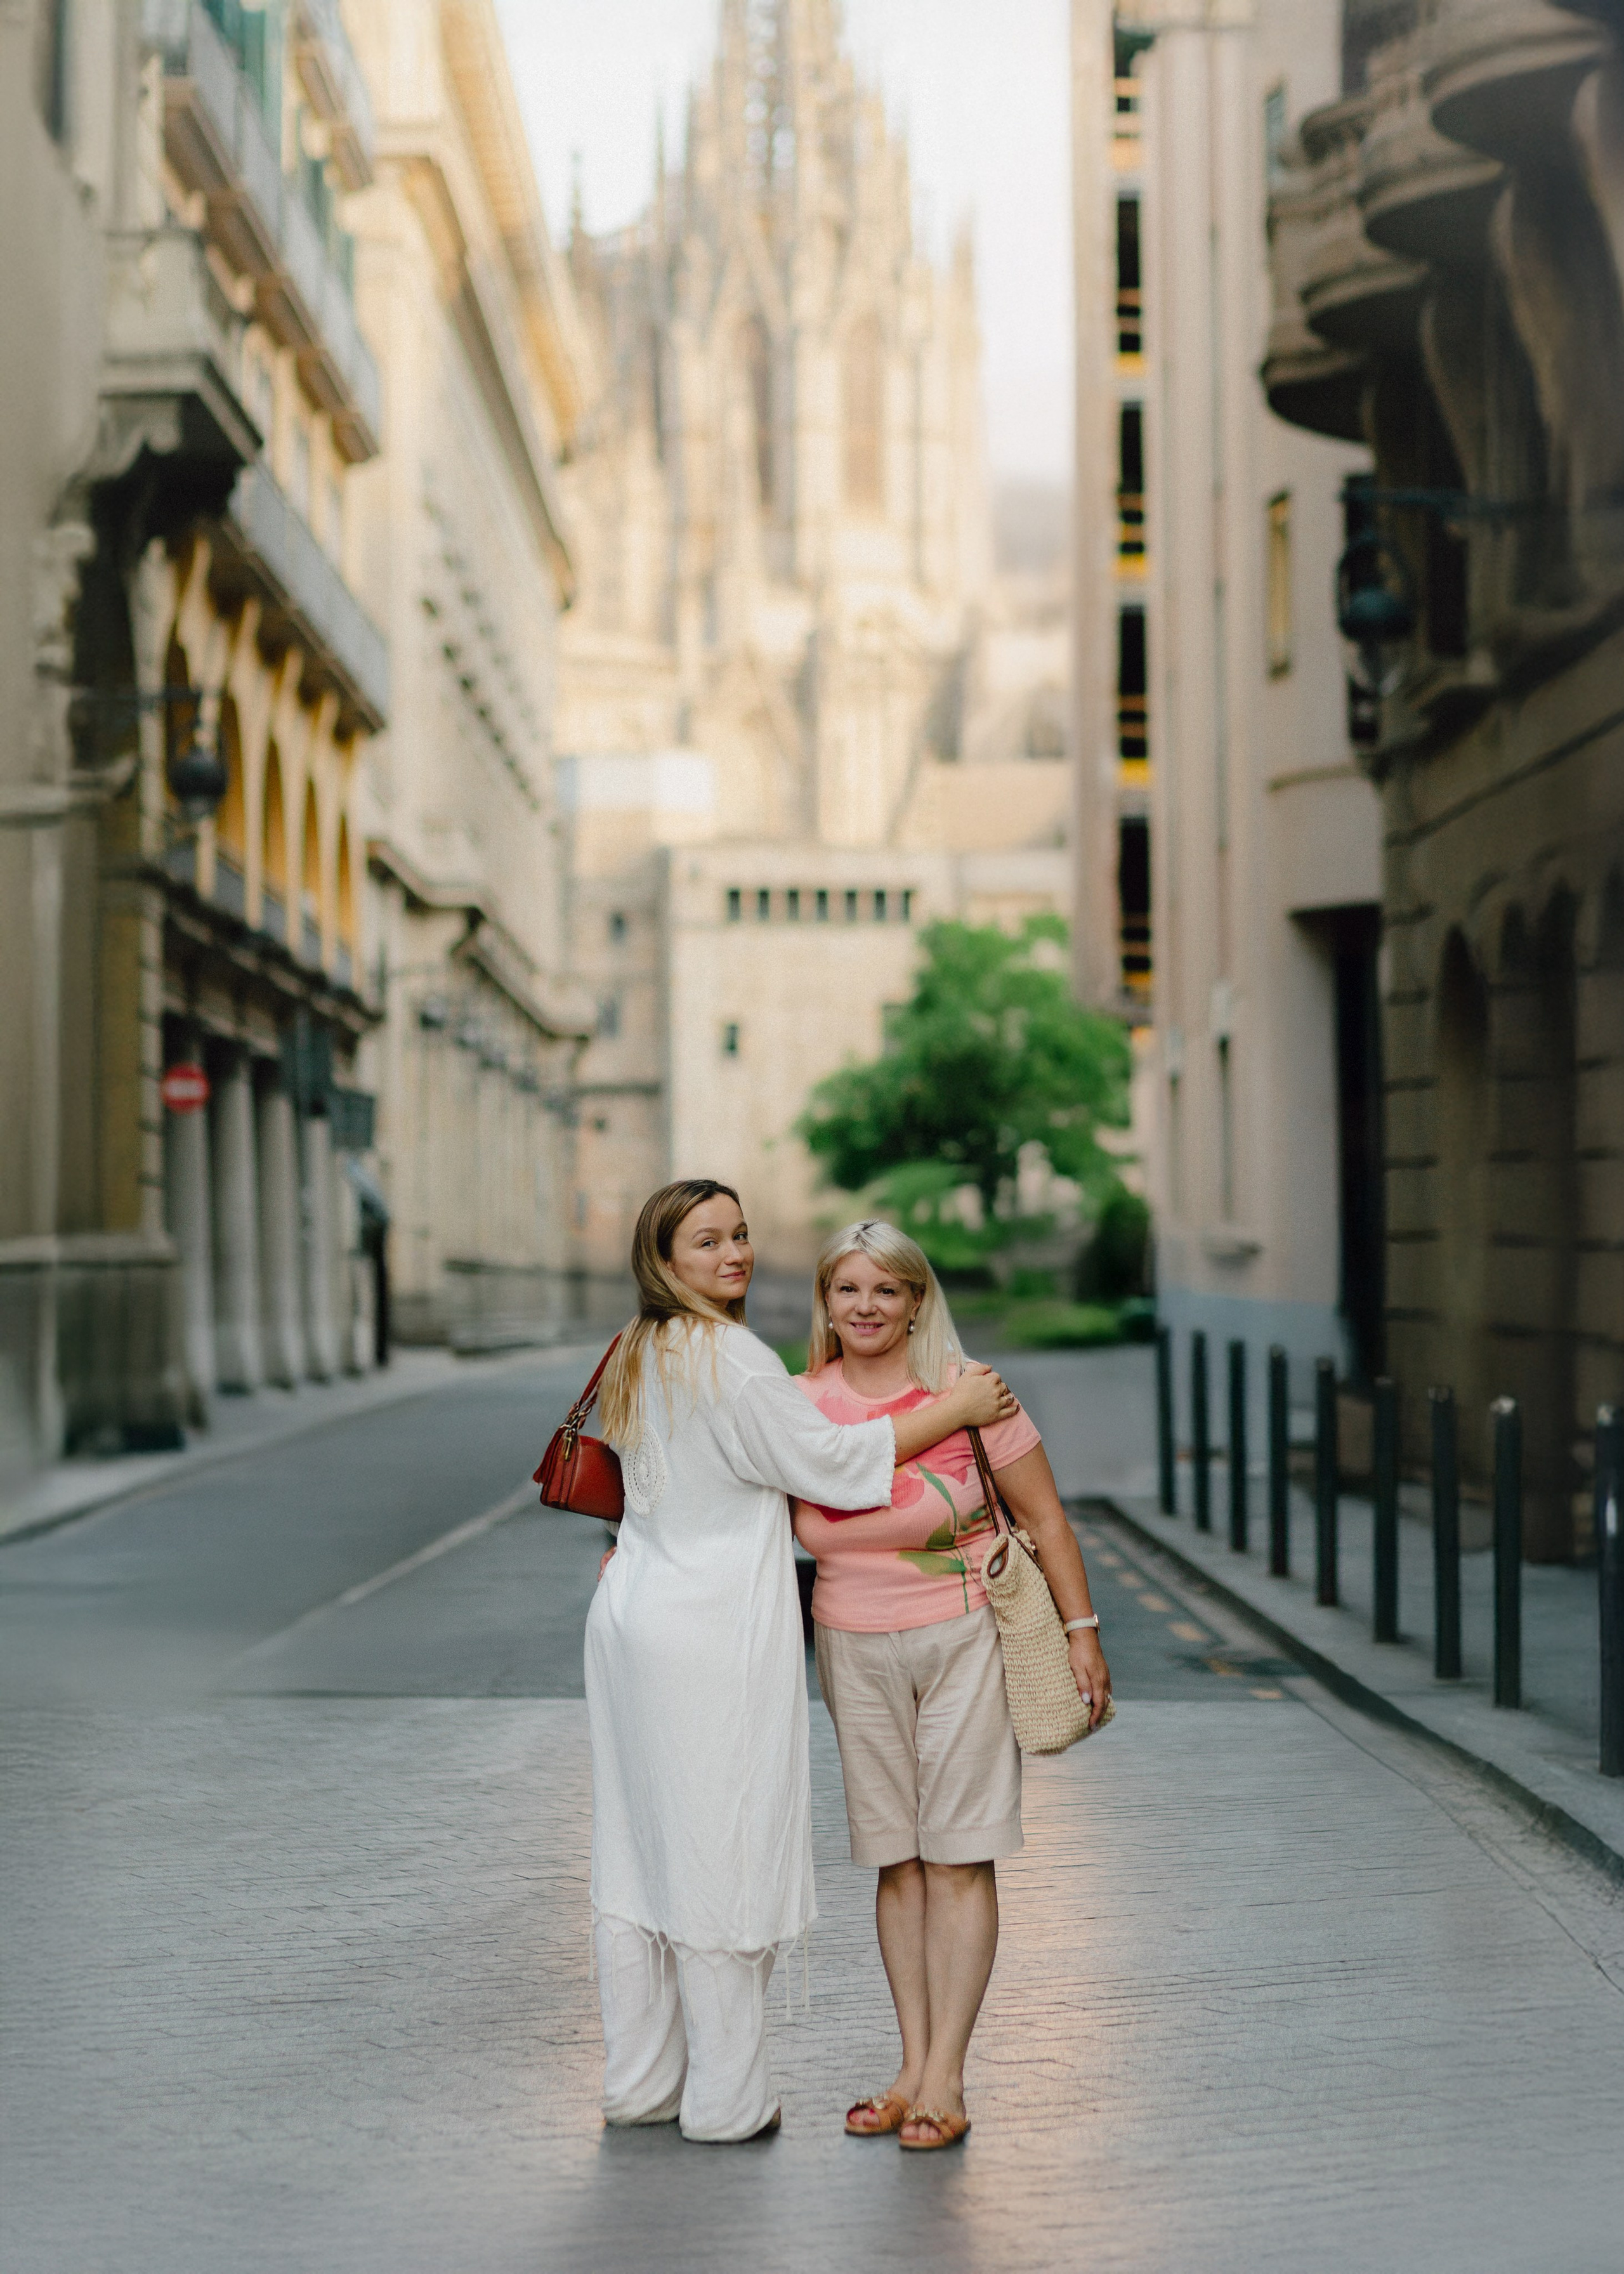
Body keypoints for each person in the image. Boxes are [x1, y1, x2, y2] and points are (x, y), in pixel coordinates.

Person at [584, 1180, 1019, 2144]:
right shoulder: (734, 1358)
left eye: (740, 1234)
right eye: (707, 1241)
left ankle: (641, 2081)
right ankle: (726, 2100)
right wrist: (957, 1406)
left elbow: (653, 1484)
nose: (734, 1253)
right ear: (665, 1258)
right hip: (708, 1628)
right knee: (719, 1844)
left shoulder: (634, 1348)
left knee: (637, 1849)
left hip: (630, 1610)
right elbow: (830, 1462)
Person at [792, 1219, 1111, 2152]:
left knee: (959, 1855)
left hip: (966, 1631)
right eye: (848, 1289)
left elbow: (1046, 1518)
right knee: (896, 1859)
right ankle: (910, 2068)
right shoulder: (798, 1403)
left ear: (916, 1300)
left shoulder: (974, 1393)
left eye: (886, 1289)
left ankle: (947, 2078)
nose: (866, 1307)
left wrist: (1083, 1632)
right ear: (826, 1302)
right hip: (849, 1642)